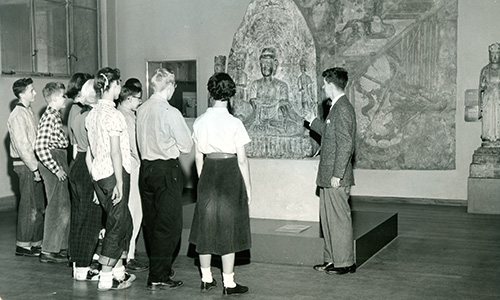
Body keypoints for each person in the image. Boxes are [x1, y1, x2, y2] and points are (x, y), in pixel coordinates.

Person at [189, 72, 252, 295]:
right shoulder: (235, 122)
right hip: (229, 171)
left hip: (208, 171)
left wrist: (202, 179)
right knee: (229, 227)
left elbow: (197, 157)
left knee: (205, 226)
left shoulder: (200, 121)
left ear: (210, 93)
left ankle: (206, 278)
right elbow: (243, 160)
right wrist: (248, 188)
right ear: (230, 94)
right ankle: (229, 282)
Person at [136, 68, 192, 290]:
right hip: (166, 170)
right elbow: (186, 146)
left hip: (146, 169)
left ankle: (160, 268)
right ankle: (159, 275)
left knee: (151, 223)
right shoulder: (171, 112)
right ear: (169, 87)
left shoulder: (141, 109)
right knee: (168, 225)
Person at [85, 67, 135, 291]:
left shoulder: (92, 114)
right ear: (111, 86)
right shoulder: (113, 115)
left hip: (98, 174)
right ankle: (106, 277)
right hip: (114, 173)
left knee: (121, 221)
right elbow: (116, 152)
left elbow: (91, 152)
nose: (120, 89)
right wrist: (120, 182)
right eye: (118, 85)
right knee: (117, 224)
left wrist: (96, 182)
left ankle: (118, 271)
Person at [305, 67, 357, 275]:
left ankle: (345, 262)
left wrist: (338, 174)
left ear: (331, 85)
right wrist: (313, 122)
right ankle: (331, 259)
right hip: (328, 175)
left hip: (336, 176)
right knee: (328, 220)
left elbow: (346, 144)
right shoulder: (336, 107)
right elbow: (330, 133)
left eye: (324, 84)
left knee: (339, 220)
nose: (322, 87)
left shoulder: (343, 108)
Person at [67, 79, 102, 281]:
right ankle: (83, 267)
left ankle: (77, 263)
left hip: (77, 165)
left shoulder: (78, 116)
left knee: (79, 217)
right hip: (89, 166)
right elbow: (93, 151)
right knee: (91, 219)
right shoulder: (93, 118)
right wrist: (97, 182)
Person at [7, 78, 45, 257]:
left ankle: (36, 242)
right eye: (31, 90)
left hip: (33, 164)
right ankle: (23, 244)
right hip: (26, 165)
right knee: (29, 206)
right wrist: (34, 168)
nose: (35, 93)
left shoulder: (27, 112)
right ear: (22, 94)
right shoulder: (17, 115)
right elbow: (23, 146)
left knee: (38, 205)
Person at [35, 82, 71, 264]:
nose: (65, 99)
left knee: (63, 205)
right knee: (57, 206)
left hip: (59, 158)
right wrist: (55, 168)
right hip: (53, 160)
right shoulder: (49, 116)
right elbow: (40, 147)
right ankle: (48, 250)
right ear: (56, 98)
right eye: (63, 96)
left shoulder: (54, 115)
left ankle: (60, 247)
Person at [116, 83, 148, 272]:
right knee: (135, 212)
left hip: (125, 167)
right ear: (129, 99)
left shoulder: (120, 113)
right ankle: (128, 254)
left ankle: (127, 253)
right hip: (132, 167)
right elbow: (133, 145)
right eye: (137, 98)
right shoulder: (126, 117)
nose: (140, 101)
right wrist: (142, 160)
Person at [248, 47, 301, 135]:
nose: (265, 66)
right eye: (263, 63)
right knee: (244, 127)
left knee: (292, 128)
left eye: (268, 62)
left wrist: (278, 105)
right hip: (259, 121)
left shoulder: (281, 85)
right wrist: (255, 103)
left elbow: (284, 106)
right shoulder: (255, 84)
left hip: (276, 122)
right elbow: (253, 107)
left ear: (274, 64)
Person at [478, 42, 500, 143]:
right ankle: (487, 137)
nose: (494, 57)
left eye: (497, 54)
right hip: (488, 101)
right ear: (489, 56)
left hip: (499, 100)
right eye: (492, 54)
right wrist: (480, 107)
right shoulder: (485, 70)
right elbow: (480, 90)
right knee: (488, 121)